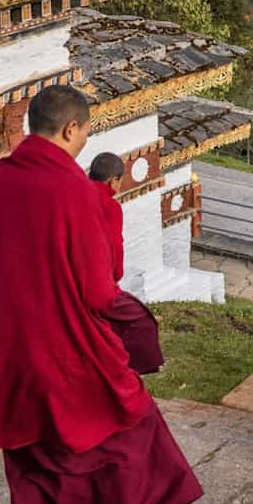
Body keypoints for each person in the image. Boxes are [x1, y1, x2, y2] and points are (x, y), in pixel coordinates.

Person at [0, 85, 203, 504]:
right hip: (66, 360)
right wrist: (139, 328)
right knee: (132, 440)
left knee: (34, 466)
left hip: (6, 361)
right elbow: (96, 292)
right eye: (86, 131)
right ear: (71, 130)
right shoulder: (75, 195)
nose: (85, 139)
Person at [88, 152, 162, 375]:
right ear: (114, 181)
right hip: (98, 284)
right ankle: (129, 370)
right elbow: (114, 247)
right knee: (143, 321)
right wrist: (115, 276)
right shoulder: (109, 207)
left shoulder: (75, 195)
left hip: (67, 279)